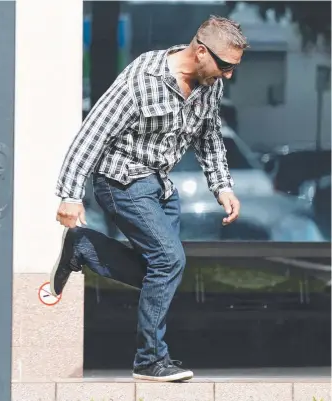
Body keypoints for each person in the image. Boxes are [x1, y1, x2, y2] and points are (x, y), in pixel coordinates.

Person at [50, 15, 248, 382]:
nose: (228, 75)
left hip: (160, 185)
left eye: (233, 68)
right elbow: (91, 134)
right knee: (169, 259)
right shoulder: (142, 78)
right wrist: (70, 194)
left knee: (159, 272)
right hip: (120, 180)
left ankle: (83, 247)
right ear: (200, 52)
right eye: (224, 66)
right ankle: (150, 360)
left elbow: (209, 137)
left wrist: (222, 186)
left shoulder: (209, 85)